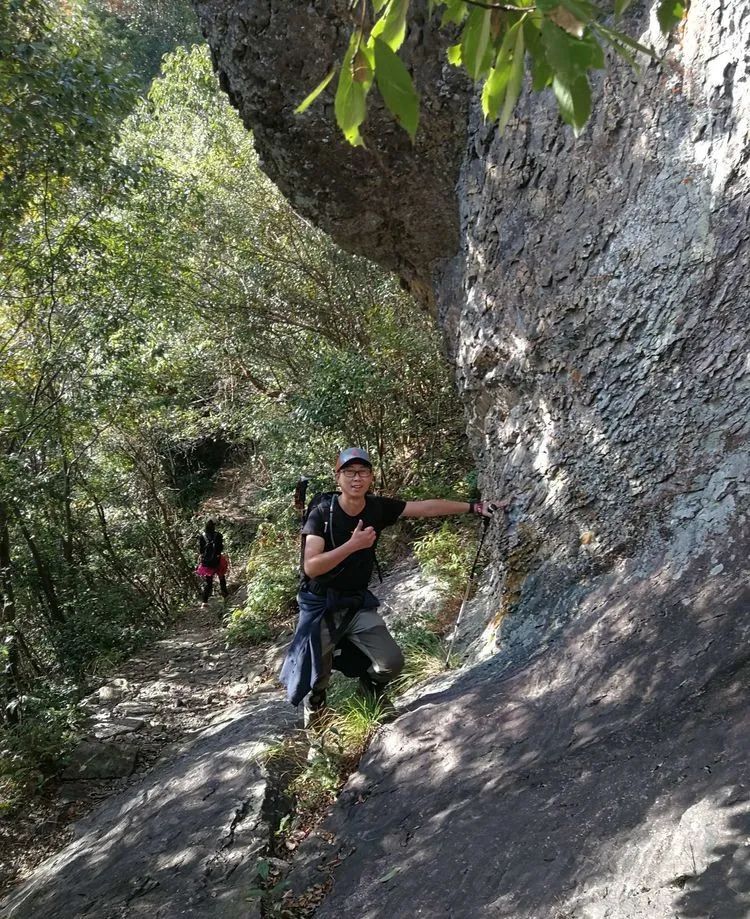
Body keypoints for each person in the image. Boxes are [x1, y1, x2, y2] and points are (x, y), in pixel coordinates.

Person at [280, 447, 499, 724]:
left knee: (391, 661)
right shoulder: (322, 513)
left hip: (355, 604)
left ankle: (370, 694)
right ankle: (317, 721)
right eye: (349, 472)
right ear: (338, 477)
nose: (356, 478)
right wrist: (353, 545)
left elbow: (424, 508)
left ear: (371, 477)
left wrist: (474, 507)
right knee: (316, 677)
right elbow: (311, 566)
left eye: (363, 472)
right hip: (321, 604)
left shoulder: (376, 508)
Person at [196, 519, 229, 608]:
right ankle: (225, 595)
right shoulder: (218, 535)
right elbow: (221, 547)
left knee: (208, 582)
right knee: (221, 577)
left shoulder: (202, 536)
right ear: (214, 527)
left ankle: (204, 601)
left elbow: (201, 550)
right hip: (218, 560)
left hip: (207, 562)